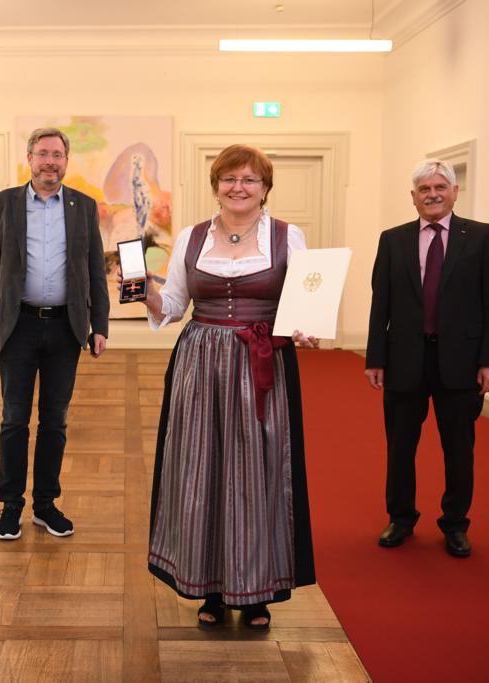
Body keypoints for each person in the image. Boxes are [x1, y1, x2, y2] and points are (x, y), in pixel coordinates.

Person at [133, 144, 317, 630]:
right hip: (201, 365)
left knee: (257, 474)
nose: (239, 187)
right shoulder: (193, 238)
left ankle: (254, 591)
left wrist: (304, 325)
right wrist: (138, 286)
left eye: (250, 179)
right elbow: (172, 305)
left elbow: (303, 302)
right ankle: (209, 586)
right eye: (229, 178)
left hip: (263, 365)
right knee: (201, 471)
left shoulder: (286, 236)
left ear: (265, 188)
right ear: (216, 186)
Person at [365, 158, 489, 558]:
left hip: (460, 363)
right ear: (413, 197)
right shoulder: (392, 239)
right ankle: (401, 518)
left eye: (440, 187)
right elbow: (382, 303)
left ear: (454, 192)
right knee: (400, 447)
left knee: (459, 449)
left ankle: (455, 524)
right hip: (404, 360)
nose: (432, 195)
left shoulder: (481, 237)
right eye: (424, 189)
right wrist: (374, 357)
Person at [0, 127, 109, 541]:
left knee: (55, 421)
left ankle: (45, 506)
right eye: (43, 153)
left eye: (58, 155)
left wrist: (98, 325)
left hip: (67, 328)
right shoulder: (2, 205)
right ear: (29, 157)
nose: (51, 161)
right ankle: (10, 506)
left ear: (66, 161)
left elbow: (94, 271)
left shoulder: (83, 206)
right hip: (18, 327)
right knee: (14, 419)